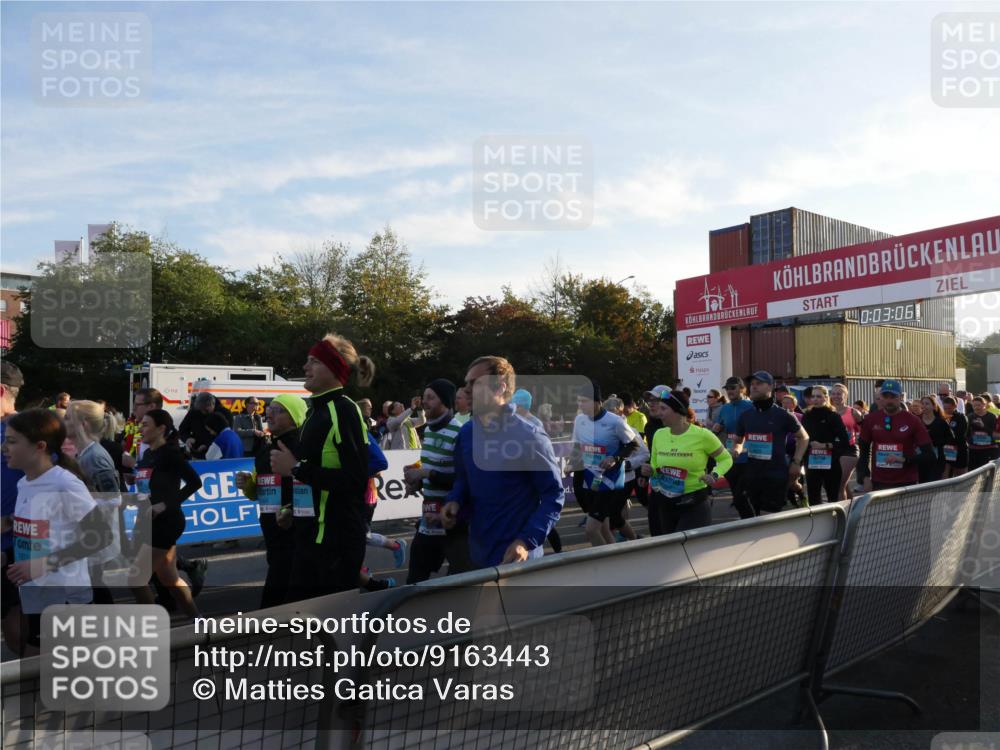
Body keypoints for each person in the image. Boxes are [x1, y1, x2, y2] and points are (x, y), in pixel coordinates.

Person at [270, 333, 375, 600]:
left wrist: (295, 469)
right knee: (300, 619)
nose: (305, 367)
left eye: (314, 361)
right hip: (310, 537)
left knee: (333, 623)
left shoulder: (343, 410)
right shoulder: (313, 413)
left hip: (336, 541)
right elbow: (315, 476)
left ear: (334, 368)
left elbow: (355, 480)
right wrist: (294, 509)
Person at [4, 409, 112, 656]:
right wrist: (7, 556)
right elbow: (39, 538)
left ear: (39, 446)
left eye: (11, 441)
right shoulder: (24, 483)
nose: (3, 448)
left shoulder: (64, 483)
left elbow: (101, 536)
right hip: (36, 594)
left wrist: (44, 565)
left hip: (67, 597)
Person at [441, 356, 564, 567]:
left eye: (475, 383)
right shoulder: (467, 433)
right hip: (478, 554)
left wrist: (525, 541)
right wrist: (455, 500)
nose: (467, 390)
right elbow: (463, 479)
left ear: (500, 388)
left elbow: (553, 495)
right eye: (467, 383)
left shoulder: (529, 435)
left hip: (518, 560)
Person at [121, 387, 207, 600]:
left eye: (138, 405)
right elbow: (150, 473)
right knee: (166, 571)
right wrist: (136, 475)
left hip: (165, 517)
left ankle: (167, 605)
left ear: (151, 407)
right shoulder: (145, 439)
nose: (134, 409)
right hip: (149, 513)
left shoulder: (167, 446)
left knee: (143, 573)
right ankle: (181, 601)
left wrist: (165, 505)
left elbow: (190, 481)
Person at [236, 394, 306, 608]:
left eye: (278, 410)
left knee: (282, 594)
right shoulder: (266, 449)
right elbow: (258, 492)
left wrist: (293, 509)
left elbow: (315, 486)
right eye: (269, 409)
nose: (269, 414)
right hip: (271, 529)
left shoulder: (304, 447)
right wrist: (248, 483)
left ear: (294, 417)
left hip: (297, 531)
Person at [403, 379, 475, 583]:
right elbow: (433, 470)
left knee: (464, 581)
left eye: (430, 397)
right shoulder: (428, 430)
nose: (424, 402)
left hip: (454, 519)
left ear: (444, 401)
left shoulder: (459, 433)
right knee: (415, 579)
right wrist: (416, 483)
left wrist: (426, 474)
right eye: (424, 397)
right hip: (429, 517)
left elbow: (464, 481)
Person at [640, 386, 731, 534]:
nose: (659, 413)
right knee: (671, 546)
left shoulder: (702, 435)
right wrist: (650, 471)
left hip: (694, 502)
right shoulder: (659, 434)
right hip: (666, 502)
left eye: (664, 409)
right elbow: (655, 467)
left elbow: (726, 459)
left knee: (687, 546)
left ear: (678, 411)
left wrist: (714, 475)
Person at [570, 382, 643, 547]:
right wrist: (571, 463)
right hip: (590, 479)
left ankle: (604, 560)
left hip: (609, 481)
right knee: (603, 527)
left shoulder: (615, 421)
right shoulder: (579, 420)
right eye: (579, 401)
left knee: (591, 530)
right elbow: (577, 446)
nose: (580, 405)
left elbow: (634, 445)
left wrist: (614, 458)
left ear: (597, 401)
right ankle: (617, 556)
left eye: (584, 401)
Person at [65, 400, 123, 605]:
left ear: (84, 424)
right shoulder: (85, 453)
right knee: (93, 585)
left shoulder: (95, 456)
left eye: (68, 418)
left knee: (94, 587)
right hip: (91, 534)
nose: (63, 422)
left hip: (97, 535)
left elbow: (114, 498)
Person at [732, 371, 809, 515]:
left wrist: (796, 462)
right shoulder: (746, 416)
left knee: (768, 516)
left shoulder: (783, 415)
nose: (753, 387)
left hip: (775, 474)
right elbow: (738, 441)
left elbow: (803, 437)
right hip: (752, 473)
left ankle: (799, 497)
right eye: (752, 384)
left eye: (759, 383)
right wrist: (736, 449)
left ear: (770, 387)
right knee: (744, 507)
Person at [857, 380, 935, 491]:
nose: (889, 400)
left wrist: (904, 459)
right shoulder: (870, 419)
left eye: (893, 396)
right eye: (885, 396)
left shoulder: (913, 421)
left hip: (906, 483)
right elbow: (864, 452)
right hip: (879, 482)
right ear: (880, 397)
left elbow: (929, 455)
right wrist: (865, 477)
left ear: (901, 397)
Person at [1, 361, 25, 651]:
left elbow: (49, 487)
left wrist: (9, 520)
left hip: (14, 547)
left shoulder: (27, 430)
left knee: (16, 624)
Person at [801, 386, 852, 505]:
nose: (815, 399)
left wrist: (825, 445)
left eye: (819, 396)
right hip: (811, 462)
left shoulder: (833, 416)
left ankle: (834, 516)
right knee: (814, 497)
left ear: (826, 398)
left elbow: (844, 441)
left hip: (831, 462)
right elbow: (801, 438)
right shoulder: (807, 415)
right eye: (813, 396)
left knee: (833, 497)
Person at [717, 377, 755, 519]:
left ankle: (753, 524)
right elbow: (717, 428)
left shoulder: (751, 406)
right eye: (727, 389)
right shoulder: (725, 408)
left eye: (733, 388)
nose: (729, 391)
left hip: (749, 458)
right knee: (737, 497)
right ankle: (747, 523)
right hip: (731, 458)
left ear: (742, 389)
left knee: (741, 496)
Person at [179, 391, 234, 459]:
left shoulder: (225, 413)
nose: (202, 412)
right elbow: (182, 429)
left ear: (212, 404)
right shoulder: (194, 411)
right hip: (196, 452)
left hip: (217, 455)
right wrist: (187, 438)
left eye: (205, 409)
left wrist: (207, 445)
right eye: (201, 410)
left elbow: (226, 436)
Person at [915, 395, 955, 484]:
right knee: (921, 483)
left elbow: (951, 438)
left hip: (937, 459)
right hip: (920, 457)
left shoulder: (940, 422)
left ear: (934, 406)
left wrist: (936, 442)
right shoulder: (917, 420)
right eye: (922, 404)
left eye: (927, 404)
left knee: (933, 483)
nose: (924, 406)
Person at [967, 396, 999, 470]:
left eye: (979, 405)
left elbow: (995, 434)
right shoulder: (970, 417)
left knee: (987, 472)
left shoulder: (992, 417)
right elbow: (966, 433)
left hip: (989, 449)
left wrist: (983, 426)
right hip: (974, 449)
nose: (976, 407)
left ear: (984, 405)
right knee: (973, 472)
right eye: (974, 405)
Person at [941, 395, 969, 478]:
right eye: (945, 408)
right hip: (946, 449)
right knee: (945, 474)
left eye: (949, 408)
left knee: (960, 475)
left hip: (959, 449)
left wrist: (948, 426)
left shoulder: (961, 417)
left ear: (955, 406)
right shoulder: (942, 417)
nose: (947, 410)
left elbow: (960, 435)